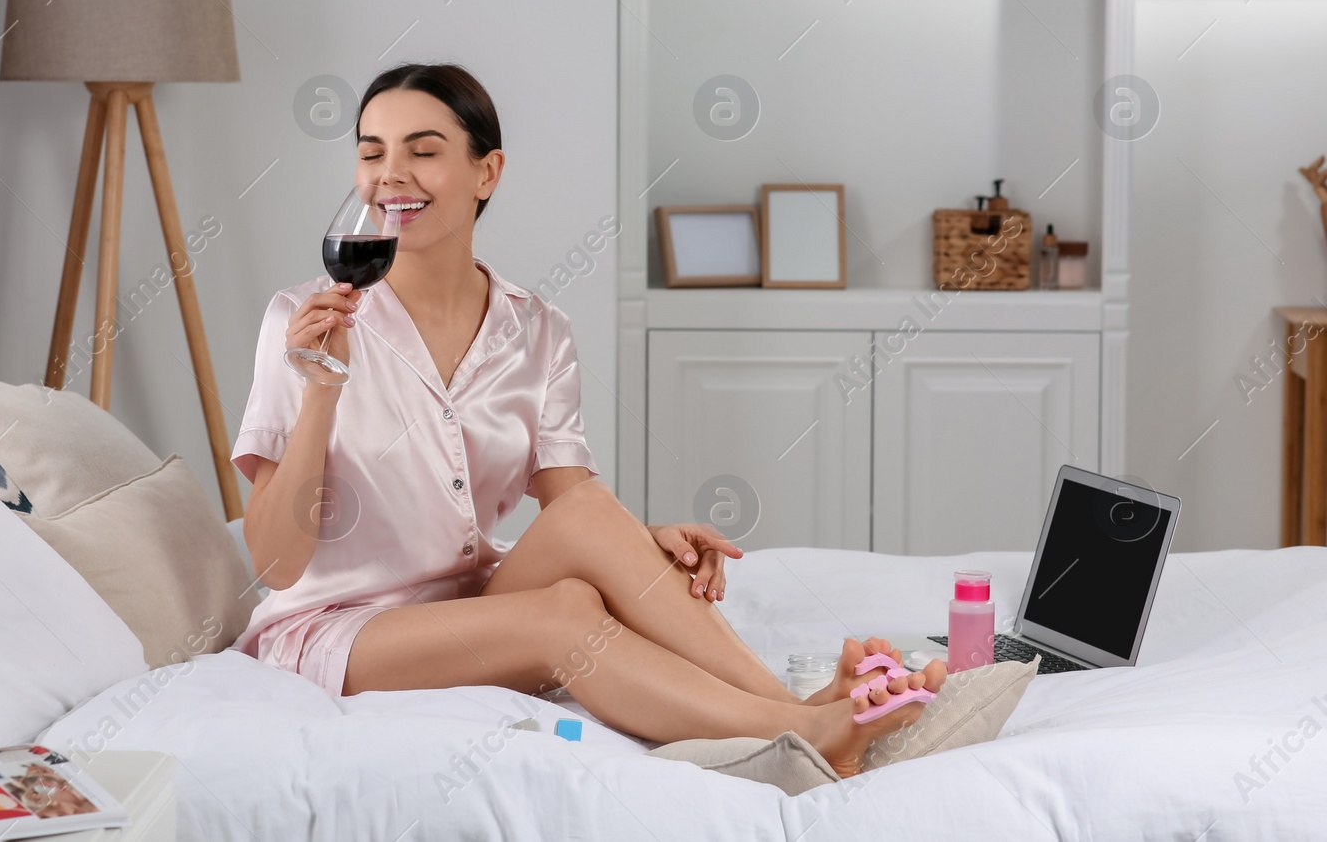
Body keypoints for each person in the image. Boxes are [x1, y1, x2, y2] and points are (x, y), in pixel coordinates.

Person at [232, 63, 946, 776]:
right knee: (563, 612)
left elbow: (574, 507)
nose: (390, 175)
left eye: (422, 151)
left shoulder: (537, 328)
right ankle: (802, 730)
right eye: (370, 152)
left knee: (590, 515)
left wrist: (644, 545)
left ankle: (804, 707)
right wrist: (321, 390)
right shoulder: (301, 321)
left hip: (475, 600)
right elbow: (273, 563)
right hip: (342, 631)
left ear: (487, 172)